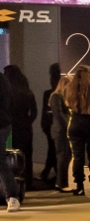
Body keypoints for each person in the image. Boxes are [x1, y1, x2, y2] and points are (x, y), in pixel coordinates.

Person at [59, 67, 90, 195]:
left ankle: (79, 187)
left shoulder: (68, 89)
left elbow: (67, 105)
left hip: (74, 122)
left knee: (77, 156)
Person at [3, 63, 36, 211]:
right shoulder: (26, 91)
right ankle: (27, 183)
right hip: (24, 127)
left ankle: (14, 189)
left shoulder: (7, 88)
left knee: (7, 159)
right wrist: (28, 122)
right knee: (26, 155)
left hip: (9, 126)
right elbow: (34, 111)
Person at [40, 63, 67, 190]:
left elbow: (44, 111)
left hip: (51, 124)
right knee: (57, 151)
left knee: (53, 150)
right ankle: (52, 175)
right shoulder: (55, 94)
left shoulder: (50, 93)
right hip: (55, 125)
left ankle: (48, 173)